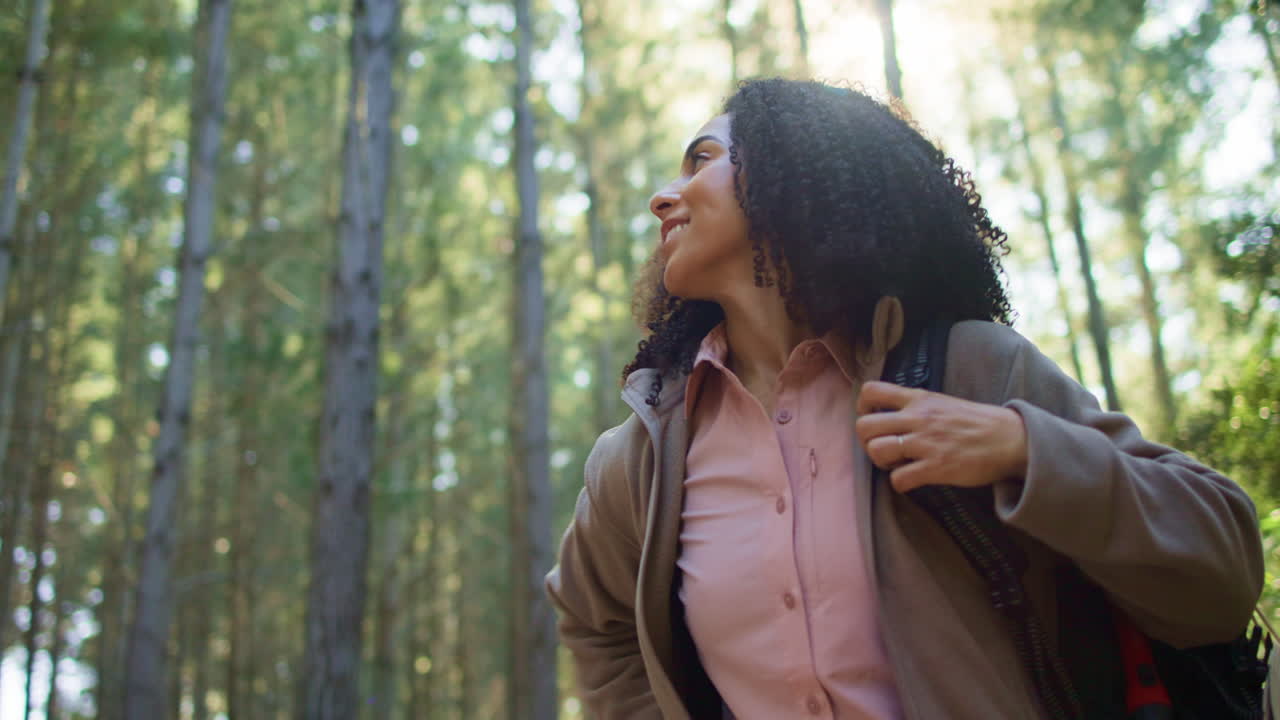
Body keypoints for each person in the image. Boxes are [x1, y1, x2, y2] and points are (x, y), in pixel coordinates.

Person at [544, 77, 1264, 720]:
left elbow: (1222, 573)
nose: (663, 196)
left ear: (795, 171)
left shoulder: (971, 367)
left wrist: (1024, 450)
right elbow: (595, 624)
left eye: (703, 158)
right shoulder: (639, 462)